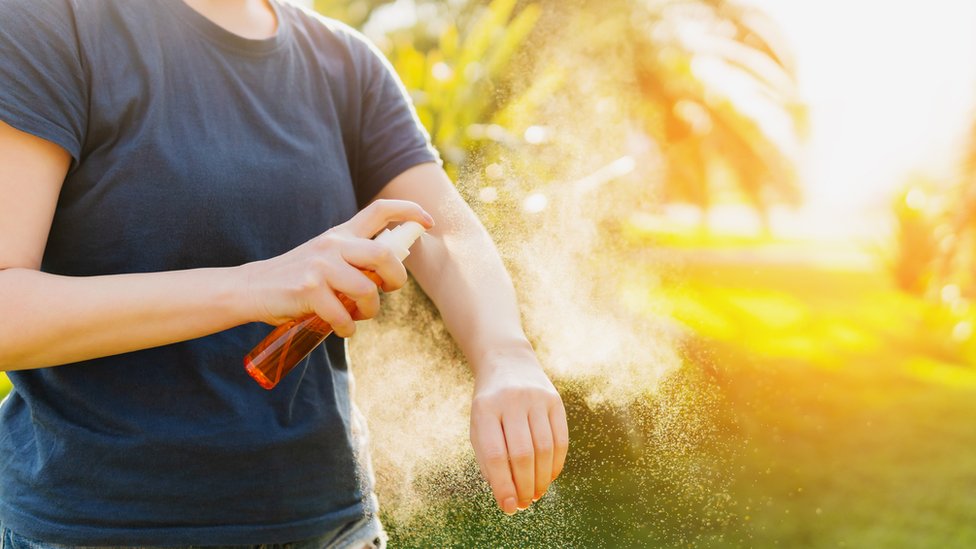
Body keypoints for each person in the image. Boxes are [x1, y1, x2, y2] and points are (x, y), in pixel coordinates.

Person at [0, 0, 569, 547]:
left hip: (333, 529)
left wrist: (504, 354)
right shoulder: (50, 24)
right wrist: (252, 287)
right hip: (100, 530)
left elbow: (442, 231)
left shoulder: (347, 64)